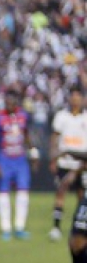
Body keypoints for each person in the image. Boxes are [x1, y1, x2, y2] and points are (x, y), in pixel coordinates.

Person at [0, 87, 37, 240]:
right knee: (3, 192)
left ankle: (20, 227)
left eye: (12, 99)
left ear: (16, 101)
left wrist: (34, 153)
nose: (9, 102)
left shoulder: (23, 116)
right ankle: (6, 228)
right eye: (7, 99)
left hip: (20, 159)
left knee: (23, 192)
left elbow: (27, 135)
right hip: (5, 158)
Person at [48, 89, 87, 241]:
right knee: (61, 191)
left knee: (81, 196)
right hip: (64, 162)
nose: (75, 100)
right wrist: (53, 158)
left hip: (82, 163)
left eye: (78, 97)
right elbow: (54, 138)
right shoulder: (61, 116)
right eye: (73, 97)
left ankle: (78, 225)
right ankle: (56, 227)